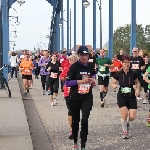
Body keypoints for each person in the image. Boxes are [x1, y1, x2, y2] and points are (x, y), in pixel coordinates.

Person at [66, 46, 96, 150]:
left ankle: (83, 145)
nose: (84, 57)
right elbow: (67, 82)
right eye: (82, 55)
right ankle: (75, 141)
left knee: (84, 121)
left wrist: (93, 81)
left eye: (86, 55)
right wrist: (80, 82)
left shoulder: (91, 66)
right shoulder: (74, 67)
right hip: (74, 97)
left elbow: (93, 74)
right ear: (79, 56)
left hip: (87, 97)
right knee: (76, 120)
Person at [111, 56, 140, 139]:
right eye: (125, 62)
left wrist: (137, 89)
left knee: (132, 117)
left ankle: (125, 121)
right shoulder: (119, 73)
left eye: (128, 62)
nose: (126, 64)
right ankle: (125, 132)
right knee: (124, 114)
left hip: (131, 96)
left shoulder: (133, 73)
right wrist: (114, 85)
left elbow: (137, 82)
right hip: (122, 96)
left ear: (129, 63)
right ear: (122, 63)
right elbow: (112, 82)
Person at [60, 54, 79, 139]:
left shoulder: (80, 70)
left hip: (79, 92)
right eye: (71, 60)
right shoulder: (67, 69)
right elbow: (62, 77)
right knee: (71, 110)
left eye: (75, 60)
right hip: (68, 92)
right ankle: (71, 130)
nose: (73, 62)